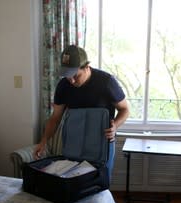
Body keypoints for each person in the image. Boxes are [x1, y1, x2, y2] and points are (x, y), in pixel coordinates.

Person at [34, 45, 130, 178]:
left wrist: (115, 126)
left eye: (75, 75)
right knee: (72, 183)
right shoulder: (63, 86)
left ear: (86, 67)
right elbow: (55, 118)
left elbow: (125, 109)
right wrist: (43, 141)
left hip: (101, 144)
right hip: (74, 143)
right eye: (68, 76)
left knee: (99, 183)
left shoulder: (106, 82)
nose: (71, 81)